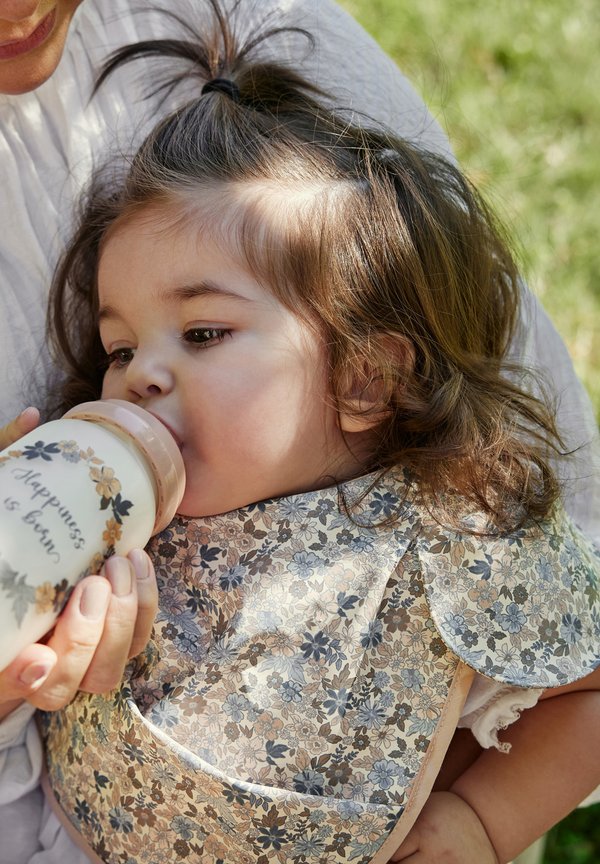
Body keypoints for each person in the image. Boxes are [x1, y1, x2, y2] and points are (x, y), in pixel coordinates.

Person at [2, 6, 599, 861]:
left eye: (202, 334)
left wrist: (481, 821)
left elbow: (587, 691)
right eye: (120, 347)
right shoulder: (110, 519)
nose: (140, 376)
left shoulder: (446, 545)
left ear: (365, 378)